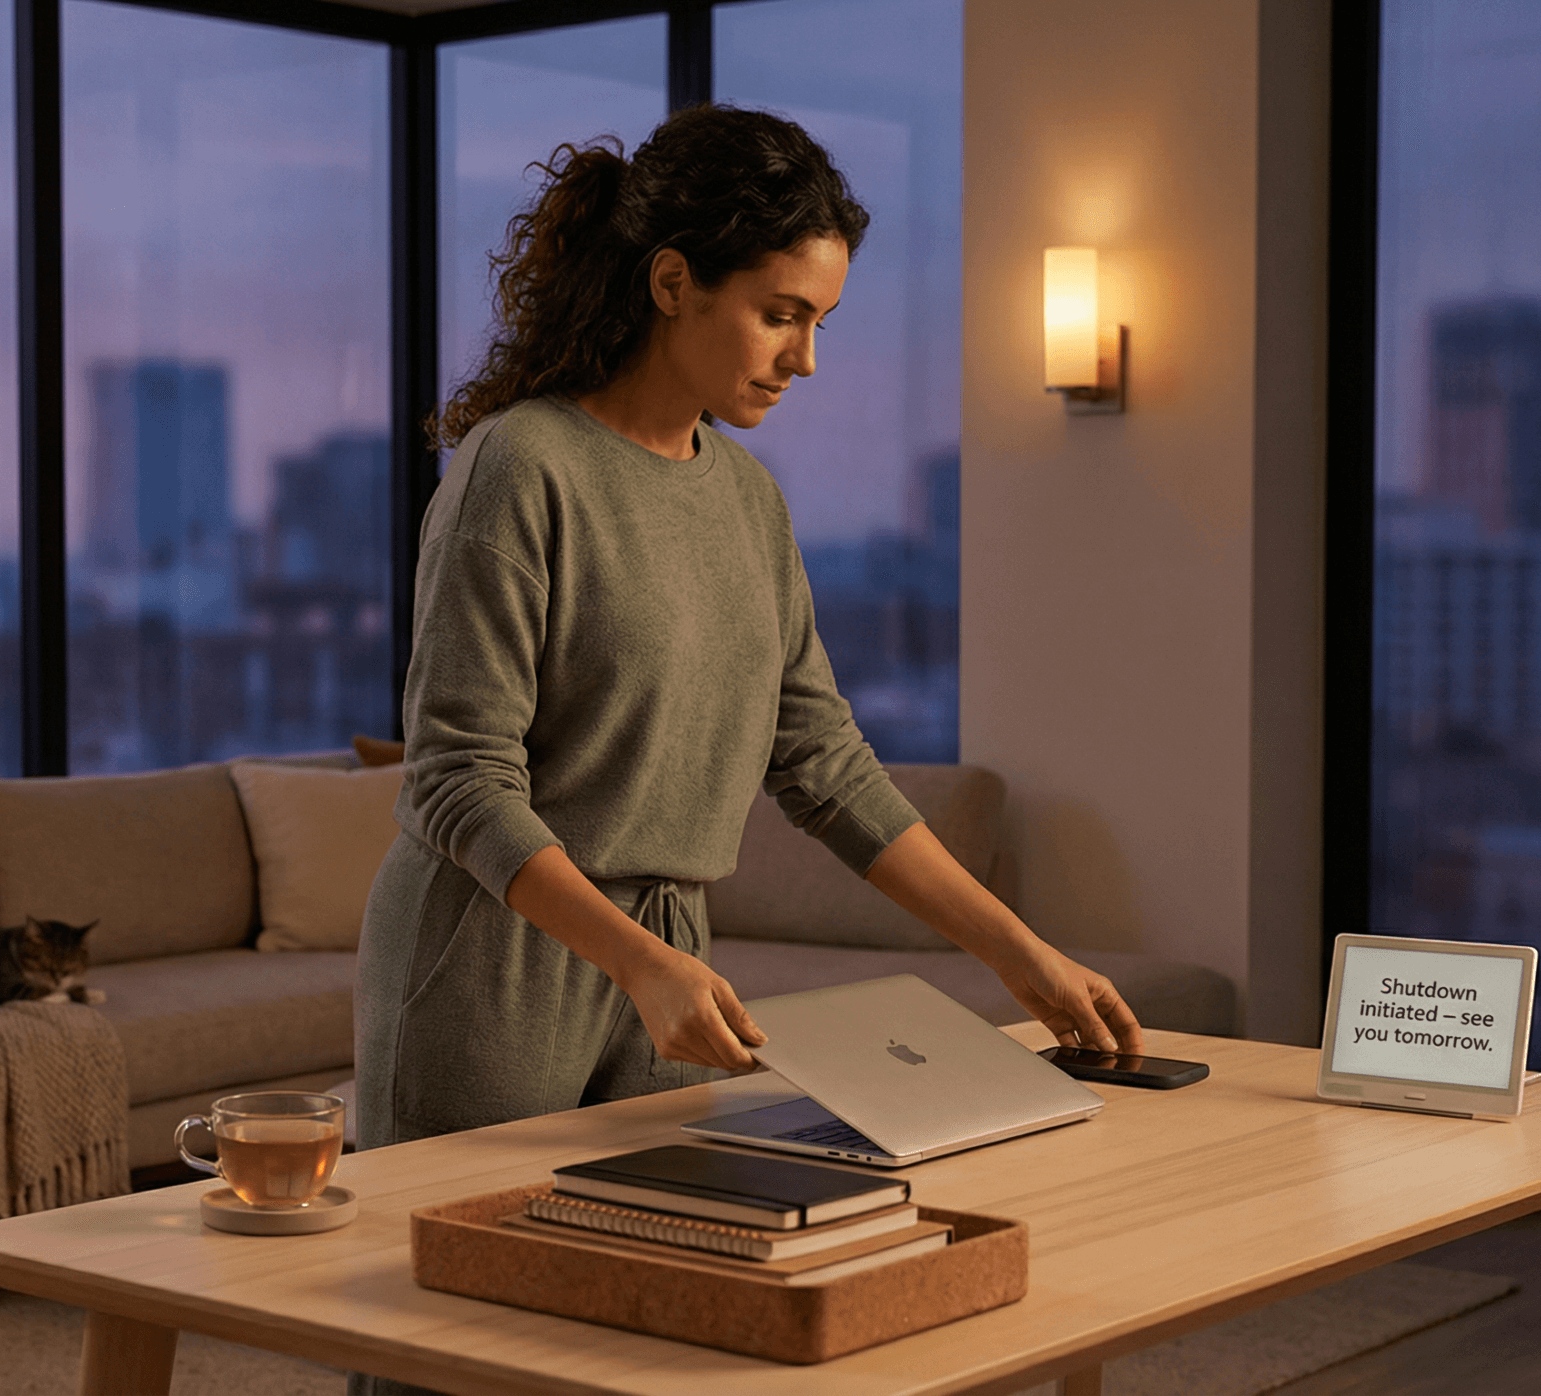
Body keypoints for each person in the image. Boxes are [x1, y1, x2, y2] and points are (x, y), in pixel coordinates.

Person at [348, 107, 1142, 1392]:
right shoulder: (519, 468)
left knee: (656, 1331)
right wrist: (639, 962)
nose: (808, 357)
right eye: (782, 313)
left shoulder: (747, 498)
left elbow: (822, 761)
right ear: (673, 282)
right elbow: (453, 781)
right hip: (497, 957)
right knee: (455, 1345)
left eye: (819, 320)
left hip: (670, 956)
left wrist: (1024, 956)